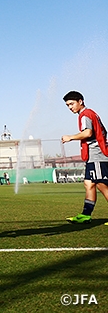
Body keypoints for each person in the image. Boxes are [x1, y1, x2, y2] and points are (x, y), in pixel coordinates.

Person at [61, 91, 108, 225]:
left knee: (101, 184)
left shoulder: (85, 114)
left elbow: (88, 132)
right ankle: (86, 215)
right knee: (89, 184)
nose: (70, 107)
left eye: (71, 104)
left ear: (80, 101)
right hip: (94, 156)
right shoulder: (88, 113)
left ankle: (86, 214)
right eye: (67, 105)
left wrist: (70, 137)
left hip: (98, 155)